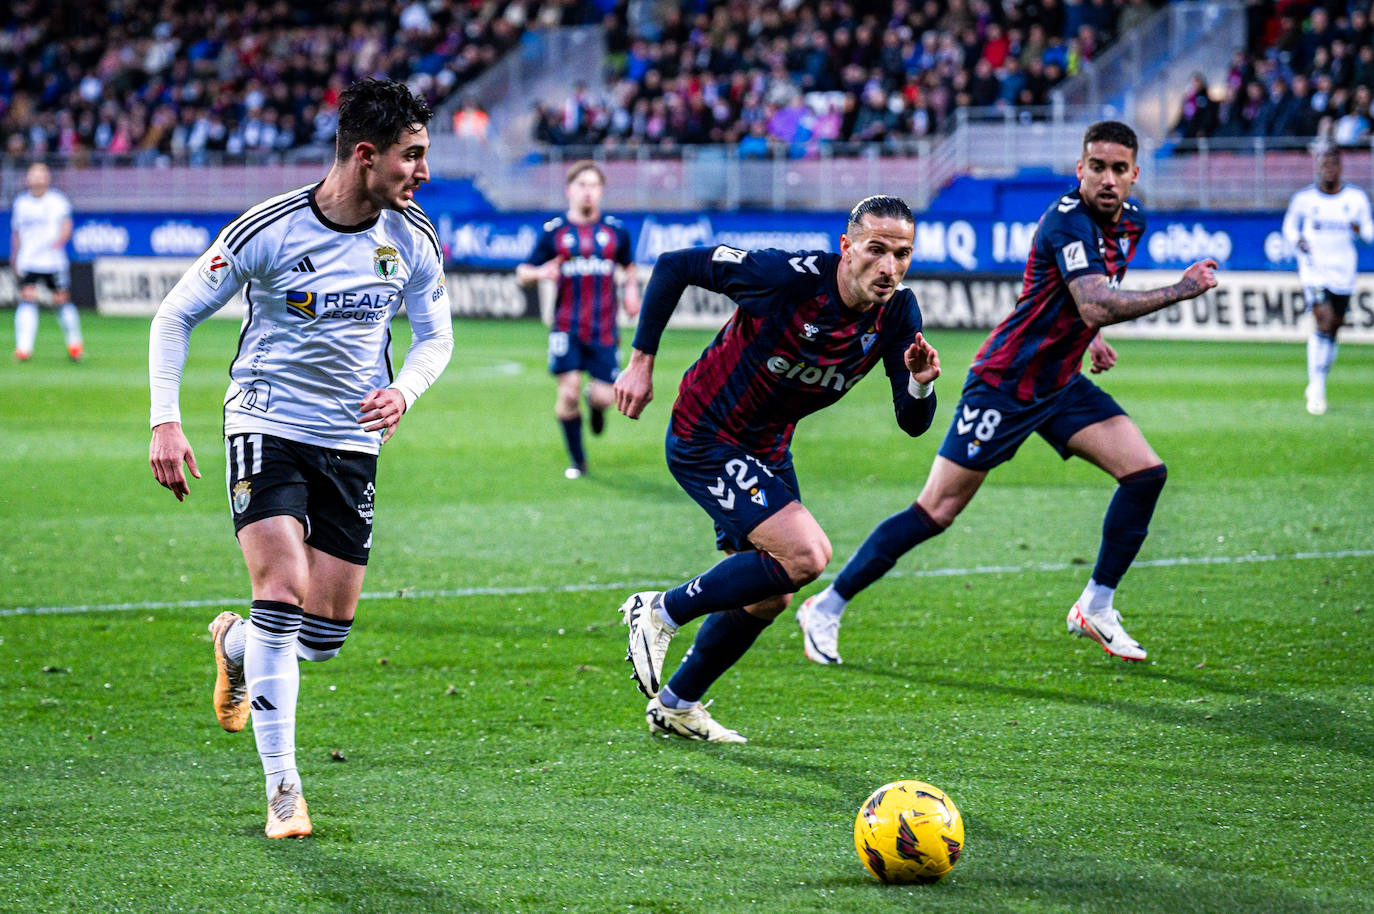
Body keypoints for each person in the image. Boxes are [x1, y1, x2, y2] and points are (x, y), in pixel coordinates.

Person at [147, 78, 453, 839]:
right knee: (281, 590)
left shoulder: (412, 239)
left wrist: (405, 391)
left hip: (351, 442)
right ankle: (284, 789)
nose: (423, 172)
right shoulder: (270, 228)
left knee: (323, 634)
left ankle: (235, 642)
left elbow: (436, 337)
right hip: (266, 424)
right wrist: (165, 419)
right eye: (411, 157)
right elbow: (176, 314)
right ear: (364, 155)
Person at [799, 121, 1219, 666]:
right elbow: (1092, 301)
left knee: (1145, 474)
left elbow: (1089, 296)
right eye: (1097, 167)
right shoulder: (1065, 222)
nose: (1108, 179)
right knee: (936, 510)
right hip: (1004, 384)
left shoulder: (1131, 222)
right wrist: (1181, 289)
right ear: (1079, 170)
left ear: (1135, 174)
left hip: (1059, 381)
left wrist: (1094, 335)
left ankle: (1096, 604)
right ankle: (827, 606)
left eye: (1119, 169)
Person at [612, 195, 942, 742]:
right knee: (807, 555)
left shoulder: (898, 314)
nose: (889, 267)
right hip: (707, 434)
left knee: (771, 593)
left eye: (902, 254)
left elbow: (912, 423)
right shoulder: (785, 277)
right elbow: (675, 265)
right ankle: (659, 612)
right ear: (846, 248)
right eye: (876, 250)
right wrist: (641, 363)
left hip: (765, 449)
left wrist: (920, 381)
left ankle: (676, 705)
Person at [516, 161, 640, 479]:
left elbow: (629, 267)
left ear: (601, 192)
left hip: (604, 329)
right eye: (582, 185)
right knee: (568, 393)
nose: (588, 191)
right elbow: (522, 272)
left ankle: (596, 405)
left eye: (594, 185)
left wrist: (631, 292)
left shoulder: (616, 231)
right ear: (570, 190)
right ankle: (578, 461)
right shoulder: (554, 232)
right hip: (566, 327)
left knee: (603, 397)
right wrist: (541, 272)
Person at [1281, 147, 1373, 415]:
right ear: (1319, 168)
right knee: (1323, 319)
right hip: (1314, 270)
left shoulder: (1355, 198)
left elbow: (1368, 232)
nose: (1328, 169)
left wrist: (1361, 229)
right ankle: (1317, 388)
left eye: (1333, 164)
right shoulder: (1304, 199)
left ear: (1340, 168)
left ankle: (1318, 379)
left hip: (1343, 271)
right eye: (1324, 164)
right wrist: (1297, 240)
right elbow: (1289, 226)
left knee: (1333, 327)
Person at [10, 163, 80, 361]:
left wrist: (57, 243)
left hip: (52, 260)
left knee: (61, 299)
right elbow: (16, 233)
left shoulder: (58, 201)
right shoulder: (21, 203)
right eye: (34, 174)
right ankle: (24, 348)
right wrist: (15, 256)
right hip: (29, 260)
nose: (38, 178)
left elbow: (67, 227)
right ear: (28, 179)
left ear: (48, 178)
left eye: (42, 174)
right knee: (27, 297)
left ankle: (75, 344)